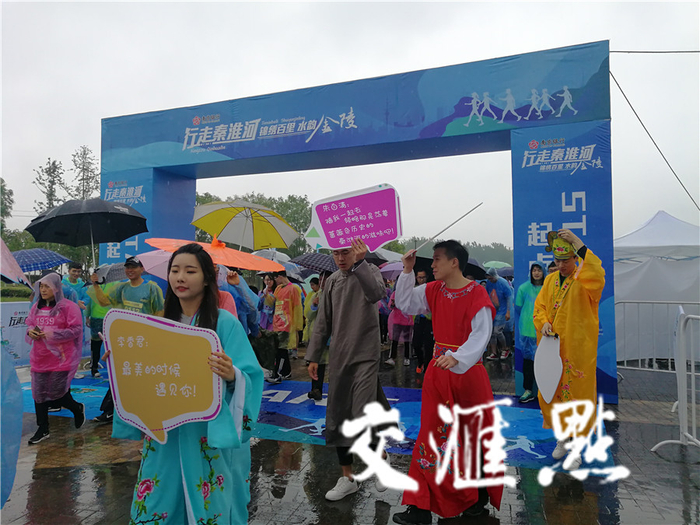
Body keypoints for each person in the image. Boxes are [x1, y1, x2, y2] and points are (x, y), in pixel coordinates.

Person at [111, 243, 264, 524]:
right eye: (175, 271)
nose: (180, 278)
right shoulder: (157, 323)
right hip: (165, 432)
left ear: (206, 278)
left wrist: (232, 375)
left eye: (190, 271)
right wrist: (120, 360)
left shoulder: (225, 324)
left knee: (208, 501)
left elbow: (250, 376)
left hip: (206, 433)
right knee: (160, 498)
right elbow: (145, 372)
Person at [392, 240, 502, 524]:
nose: (432, 265)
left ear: (455, 262)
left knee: (471, 438)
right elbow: (404, 303)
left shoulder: (476, 293)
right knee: (430, 435)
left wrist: (458, 357)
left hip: (468, 375)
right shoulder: (434, 290)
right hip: (439, 373)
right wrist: (407, 271)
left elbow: (481, 334)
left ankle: (474, 501)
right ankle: (420, 506)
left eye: (437, 259)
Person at [306, 238, 392, 501]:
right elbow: (323, 321)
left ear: (355, 251)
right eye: (336, 253)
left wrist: (361, 262)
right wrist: (313, 356)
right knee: (338, 414)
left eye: (345, 252)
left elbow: (377, 294)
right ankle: (348, 477)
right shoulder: (332, 281)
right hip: (339, 356)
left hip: (366, 355)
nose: (341, 258)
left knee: (361, 411)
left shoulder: (370, 271)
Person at [534, 229, 605, 470]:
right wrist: (543, 322)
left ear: (575, 258)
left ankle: (578, 448)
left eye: (566, 260)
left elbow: (598, 274)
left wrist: (578, 242)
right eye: (558, 260)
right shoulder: (549, 280)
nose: (561, 265)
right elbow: (540, 307)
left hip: (578, 348)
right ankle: (563, 438)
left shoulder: (585, 279)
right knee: (552, 392)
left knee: (578, 395)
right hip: (553, 348)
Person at [90, 256, 164, 423]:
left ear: (142, 269)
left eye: (133, 267)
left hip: (144, 342)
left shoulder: (152, 288)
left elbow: (160, 312)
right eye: (127, 267)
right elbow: (103, 301)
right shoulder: (121, 288)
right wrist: (95, 285)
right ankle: (110, 410)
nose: (130, 270)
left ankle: (142, 410)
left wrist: (155, 336)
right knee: (120, 374)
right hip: (124, 341)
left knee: (141, 376)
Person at [25, 273, 86, 444]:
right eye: (41, 286)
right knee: (38, 393)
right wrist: (30, 332)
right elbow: (30, 323)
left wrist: (53, 334)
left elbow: (76, 330)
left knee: (57, 393)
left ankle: (76, 408)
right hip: (40, 358)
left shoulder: (68, 307)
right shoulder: (36, 307)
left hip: (61, 359)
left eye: (47, 286)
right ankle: (42, 428)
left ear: (57, 288)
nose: (43, 290)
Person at [514, 262, 545, 403]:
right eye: (534, 270)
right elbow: (518, 307)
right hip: (527, 331)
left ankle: (545, 391)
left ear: (544, 272)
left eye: (539, 270)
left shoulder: (548, 287)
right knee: (528, 362)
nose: (536, 273)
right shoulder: (523, 288)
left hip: (544, 332)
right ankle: (528, 390)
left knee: (544, 362)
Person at [267, 270, 302, 384]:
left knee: (281, 349)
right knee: (279, 349)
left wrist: (296, 324)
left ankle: (278, 373)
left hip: (286, 323)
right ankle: (286, 372)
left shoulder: (294, 288)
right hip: (277, 323)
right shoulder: (278, 289)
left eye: (275, 278)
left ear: (280, 276)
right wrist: (266, 295)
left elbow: (297, 307)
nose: (275, 281)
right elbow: (272, 303)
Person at [85, 269, 117, 378]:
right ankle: (94, 368)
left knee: (113, 345)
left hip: (111, 318)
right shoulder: (92, 286)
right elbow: (89, 302)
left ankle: (115, 368)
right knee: (95, 345)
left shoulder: (115, 284)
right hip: (96, 318)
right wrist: (87, 316)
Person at [304, 274, 330, 401]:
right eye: (320, 279)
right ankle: (316, 389)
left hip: (331, 334)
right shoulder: (316, 295)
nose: (322, 282)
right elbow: (307, 314)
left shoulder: (336, 293)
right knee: (317, 362)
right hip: (317, 333)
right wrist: (314, 305)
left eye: (324, 279)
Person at [484, 267, 513, 360]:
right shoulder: (489, 283)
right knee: (492, 332)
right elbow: (487, 294)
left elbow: (509, 297)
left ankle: (505, 349)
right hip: (493, 310)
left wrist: (508, 311)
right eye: (488, 278)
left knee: (497, 331)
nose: (490, 280)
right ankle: (494, 352)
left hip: (502, 310)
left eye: (491, 278)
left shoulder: (503, 283)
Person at [412, 270, 434, 375]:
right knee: (416, 344)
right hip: (418, 320)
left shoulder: (431, 288)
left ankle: (427, 367)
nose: (421, 279)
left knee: (428, 345)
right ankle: (420, 361)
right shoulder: (414, 289)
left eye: (423, 277)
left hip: (429, 320)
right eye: (419, 277)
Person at [386, 290, 414, 366]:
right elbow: (390, 306)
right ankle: (392, 357)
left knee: (406, 341)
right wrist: (393, 304)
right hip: (397, 320)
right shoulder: (395, 293)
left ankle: (407, 358)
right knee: (395, 340)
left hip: (407, 320)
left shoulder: (409, 293)